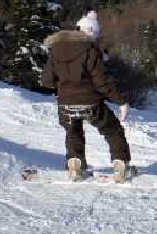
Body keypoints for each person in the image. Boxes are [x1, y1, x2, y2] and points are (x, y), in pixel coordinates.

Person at [41, 9, 132, 182]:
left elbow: (46, 79)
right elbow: (101, 82)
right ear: (93, 34)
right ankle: (121, 164)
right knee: (112, 130)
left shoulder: (56, 49)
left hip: (65, 103)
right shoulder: (91, 51)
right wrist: (121, 102)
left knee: (72, 130)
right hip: (90, 102)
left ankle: (75, 165)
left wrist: (61, 88)